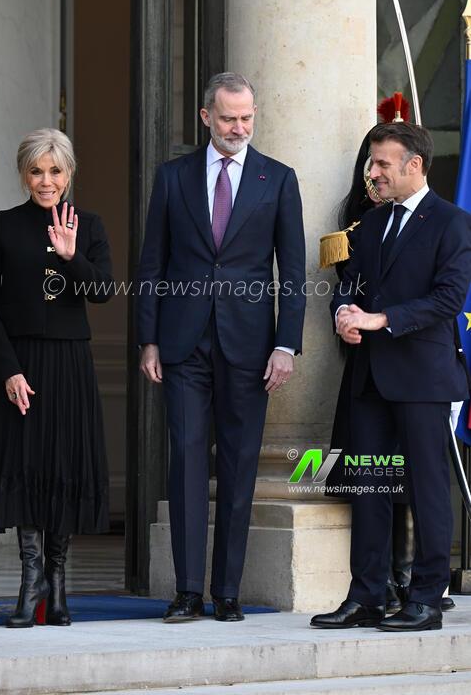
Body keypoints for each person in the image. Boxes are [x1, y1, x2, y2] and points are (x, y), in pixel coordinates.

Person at [138, 72, 306, 622]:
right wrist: (149, 338)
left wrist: (287, 345)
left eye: (247, 118)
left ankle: (227, 591)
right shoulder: (173, 177)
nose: (239, 128)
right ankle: (188, 590)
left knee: (238, 466)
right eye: (229, 118)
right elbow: (152, 266)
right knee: (186, 462)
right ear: (206, 116)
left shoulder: (278, 179)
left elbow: (294, 272)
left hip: (252, 347)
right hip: (183, 344)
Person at [311, 120, 471, 632]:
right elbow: (350, 287)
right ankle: (367, 596)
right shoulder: (373, 225)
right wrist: (343, 313)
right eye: (371, 163)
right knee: (370, 489)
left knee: (425, 489)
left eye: (381, 164)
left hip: (423, 378)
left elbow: (448, 299)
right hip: (370, 378)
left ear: (413, 165)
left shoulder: (452, 223)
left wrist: (380, 319)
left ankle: (425, 599)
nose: (372, 173)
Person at [0, 128, 113, 628]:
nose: (46, 180)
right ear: (23, 174)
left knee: (62, 467)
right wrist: (8, 369)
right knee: (26, 464)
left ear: (69, 174)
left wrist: (73, 254)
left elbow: (102, 292)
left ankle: (56, 582)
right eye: (37, 170)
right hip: (19, 365)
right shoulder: (3, 226)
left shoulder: (89, 225)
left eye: (55, 171)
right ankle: (31, 577)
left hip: (69, 365)